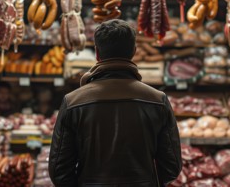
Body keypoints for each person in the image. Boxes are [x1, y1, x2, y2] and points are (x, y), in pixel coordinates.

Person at [49, 19, 182, 186]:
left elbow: (59, 171)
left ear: (97, 53)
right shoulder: (158, 100)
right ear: (133, 51)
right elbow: (172, 167)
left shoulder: (73, 101)